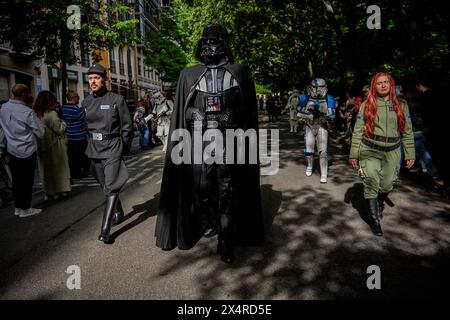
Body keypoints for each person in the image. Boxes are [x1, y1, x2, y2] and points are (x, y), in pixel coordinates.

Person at [155, 24, 264, 264]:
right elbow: (184, 109)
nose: (209, 45)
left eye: (214, 40)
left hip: (229, 142)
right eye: (206, 40)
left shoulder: (240, 72)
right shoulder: (190, 74)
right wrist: (194, 113)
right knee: (202, 187)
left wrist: (231, 116)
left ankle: (226, 240)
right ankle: (208, 220)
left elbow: (247, 113)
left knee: (227, 188)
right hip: (199, 142)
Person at [349, 72, 415, 236]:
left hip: (392, 151)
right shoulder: (367, 104)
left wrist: (410, 154)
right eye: (379, 83)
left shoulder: (401, 104)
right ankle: (374, 220)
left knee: (387, 184)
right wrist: (354, 154)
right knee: (371, 181)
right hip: (370, 149)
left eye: (386, 82)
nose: (383, 85)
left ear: (391, 84)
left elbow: (407, 132)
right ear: (374, 86)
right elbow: (357, 131)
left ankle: (378, 202)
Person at [82, 64, 133, 243]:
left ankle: (105, 230)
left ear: (104, 80)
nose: (93, 81)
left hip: (112, 147)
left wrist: (123, 149)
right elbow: (84, 127)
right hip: (94, 149)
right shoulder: (86, 102)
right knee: (106, 185)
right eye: (90, 78)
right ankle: (118, 210)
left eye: (96, 78)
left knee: (111, 186)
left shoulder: (116, 100)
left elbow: (127, 127)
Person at [0, 84, 44, 217]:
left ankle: (18, 207)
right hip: (27, 150)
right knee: (26, 180)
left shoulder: (4, 108)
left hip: (12, 149)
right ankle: (26, 208)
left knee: (17, 180)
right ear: (24, 94)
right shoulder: (26, 111)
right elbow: (41, 132)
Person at [33, 91, 71, 200]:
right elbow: (59, 129)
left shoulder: (36, 114)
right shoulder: (52, 114)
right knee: (58, 169)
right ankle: (60, 190)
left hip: (41, 145)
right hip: (54, 145)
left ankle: (48, 192)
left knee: (45, 170)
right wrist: (63, 123)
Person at [297, 78, 336, 183]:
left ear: (325, 88)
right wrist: (309, 115)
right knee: (309, 151)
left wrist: (323, 116)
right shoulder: (305, 98)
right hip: (309, 125)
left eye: (320, 87)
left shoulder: (329, 98)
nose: (318, 90)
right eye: (315, 87)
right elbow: (299, 112)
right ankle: (309, 166)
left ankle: (324, 174)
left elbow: (332, 115)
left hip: (322, 126)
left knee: (323, 152)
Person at [61, 90, 90, 180]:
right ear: (73, 98)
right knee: (82, 155)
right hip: (80, 136)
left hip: (69, 136)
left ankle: (73, 173)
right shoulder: (77, 110)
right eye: (77, 97)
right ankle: (80, 172)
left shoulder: (63, 109)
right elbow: (84, 122)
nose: (79, 99)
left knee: (73, 157)